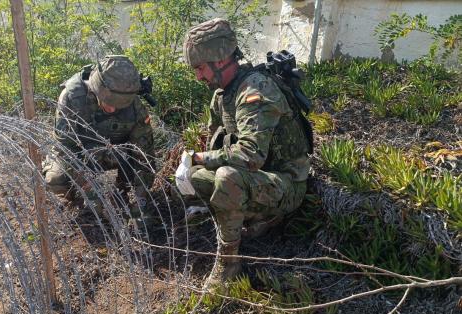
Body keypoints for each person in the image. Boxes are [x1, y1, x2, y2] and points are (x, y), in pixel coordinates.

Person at [178, 18, 311, 286]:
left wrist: (202, 158)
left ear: (220, 61)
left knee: (226, 177)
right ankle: (250, 218)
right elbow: (217, 142)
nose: (199, 76)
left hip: (286, 184)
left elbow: (251, 155)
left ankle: (228, 264)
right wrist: (194, 163)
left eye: (200, 68)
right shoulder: (223, 94)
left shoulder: (254, 91)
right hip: (258, 179)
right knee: (192, 177)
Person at [43, 55, 155, 226]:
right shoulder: (73, 98)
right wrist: (95, 197)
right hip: (81, 154)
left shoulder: (135, 107)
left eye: (119, 105)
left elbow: (144, 156)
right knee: (56, 178)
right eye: (107, 102)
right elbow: (66, 150)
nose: (112, 109)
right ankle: (77, 199)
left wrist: (141, 201)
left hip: (117, 152)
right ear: (96, 89)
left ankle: (121, 189)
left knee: (134, 163)